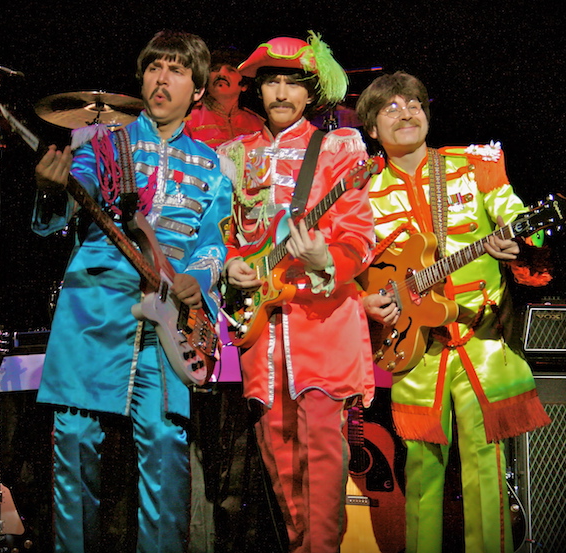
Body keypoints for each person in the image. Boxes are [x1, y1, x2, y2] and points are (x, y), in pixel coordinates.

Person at [31, 30, 231, 553]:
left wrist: (198, 279)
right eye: (154, 68)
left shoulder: (212, 167)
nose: (162, 78)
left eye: (177, 70)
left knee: (166, 448)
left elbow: (214, 245)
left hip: (168, 324)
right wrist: (55, 194)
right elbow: (66, 211)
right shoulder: (103, 144)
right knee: (73, 442)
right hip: (95, 307)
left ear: (198, 90)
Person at [354, 71, 554, 553]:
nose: (406, 112)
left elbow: (527, 226)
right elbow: (353, 269)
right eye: (390, 107)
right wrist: (364, 300)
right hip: (413, 349)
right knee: (420, 472)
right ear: (372, 131)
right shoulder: (362, 192)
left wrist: (523, 238)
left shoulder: (474, 165)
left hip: (481, 340)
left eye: (414, 103)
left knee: (487, 465)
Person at [217, 32, 376, 553]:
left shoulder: (338, 147)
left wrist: (324, 257)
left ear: (311, 94)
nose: (282, 92)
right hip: (260, 325)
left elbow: (358, 234)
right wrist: (230, 266)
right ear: (257, 91)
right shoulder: (233, 155)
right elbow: (221, 235)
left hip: (322, 318)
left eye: (293, 83)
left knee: (323, 447)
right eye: (272, 83)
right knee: (276, 448)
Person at [185, 47, 264, 149]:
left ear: (244, 85)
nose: (221, 73)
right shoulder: (188, 119)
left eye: (231, 70)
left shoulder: (258, 124)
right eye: (214, 70)